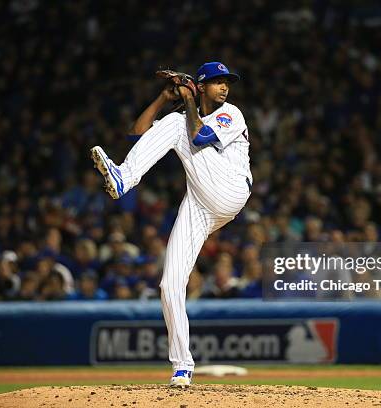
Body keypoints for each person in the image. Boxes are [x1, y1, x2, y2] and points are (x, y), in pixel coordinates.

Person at [90, 62, 251, 387]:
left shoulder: (230, 113)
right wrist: (164, 98)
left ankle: (124, 178)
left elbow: (199, 135)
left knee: (179, 126)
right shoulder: (183, 114)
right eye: (217, 82)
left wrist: (188, 99)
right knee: (170, 284)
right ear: (202, 86)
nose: (225, 87)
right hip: (201, 202)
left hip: (230, 188)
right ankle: (182, 366)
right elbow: (137, 133)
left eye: (227, 82)